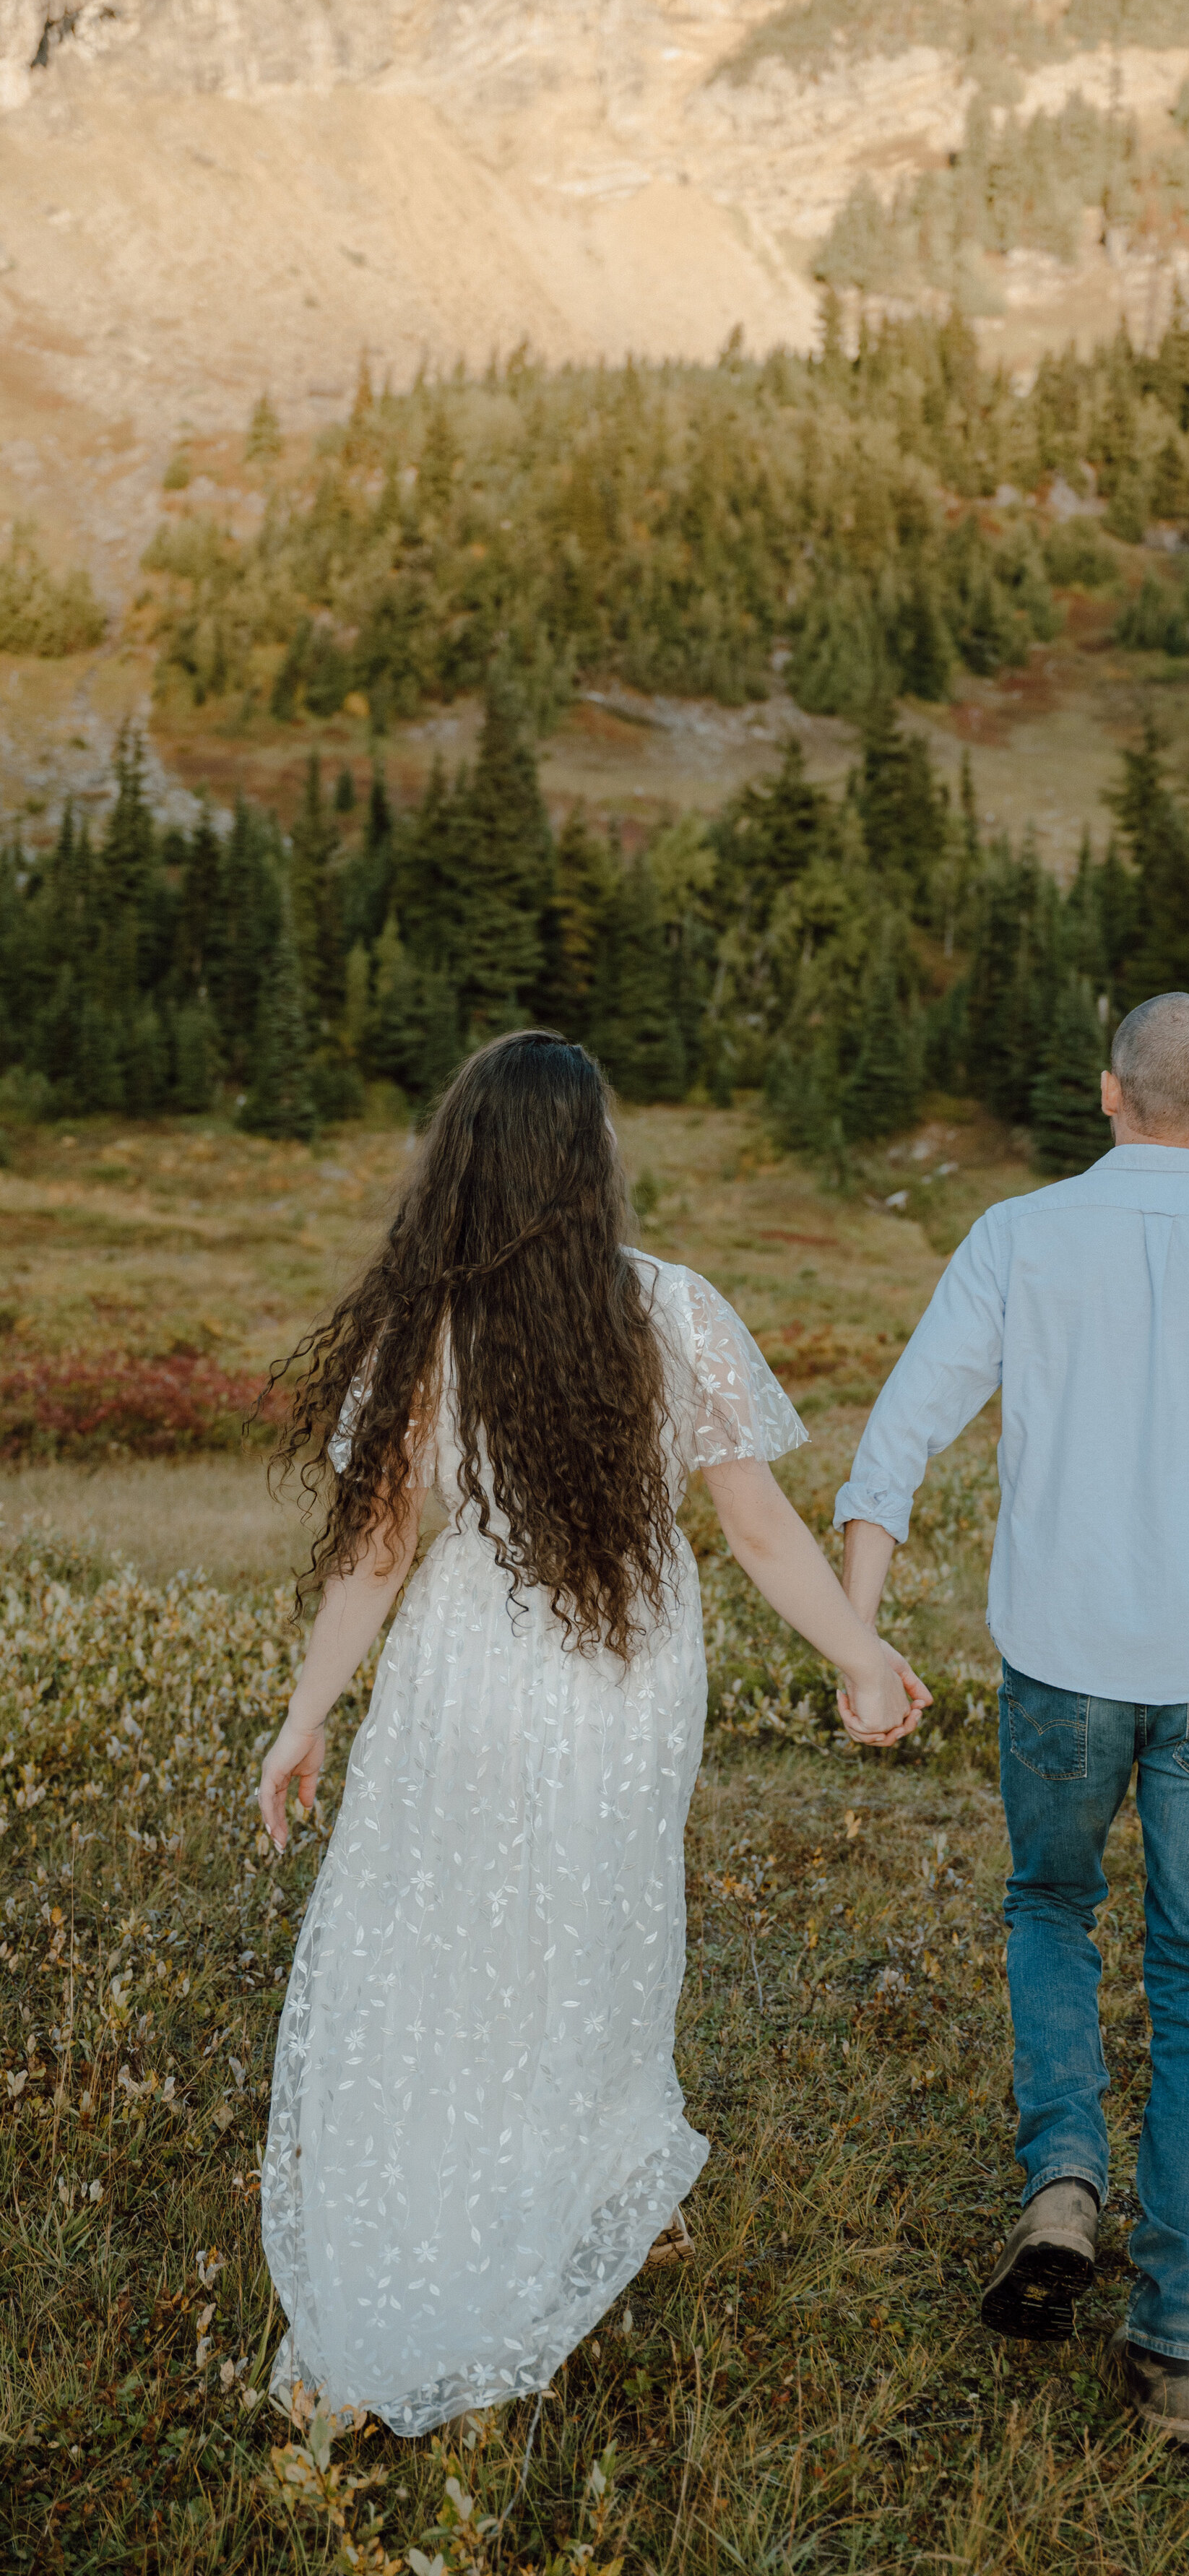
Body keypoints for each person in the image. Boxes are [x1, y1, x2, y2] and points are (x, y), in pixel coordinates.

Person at [256, 1031, 925, 2435]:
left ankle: (464, 2194)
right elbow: (755, 1529)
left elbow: (376, 1556)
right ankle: (563, 2176)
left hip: (472, 1673)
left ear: (464, 1162)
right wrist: (859, 1651)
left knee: (445, 1938)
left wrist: (306, 1716)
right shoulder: (673, 1312)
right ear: (593, 1162)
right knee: (589, 1927)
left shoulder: (425, 1323)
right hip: (623, 1678)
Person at [834, 992, 1189, 2449]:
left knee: (1050, 1905)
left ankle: (1065, 2178)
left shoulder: (1019, 1237)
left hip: (1062, 1670)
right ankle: (1181, 2350)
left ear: (1107, 1095)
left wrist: (859, 1635)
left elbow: (896, 1440)